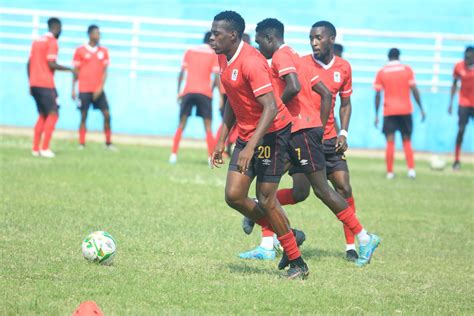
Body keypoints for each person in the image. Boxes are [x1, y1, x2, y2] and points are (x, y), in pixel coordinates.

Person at [241, 20, 380, 267]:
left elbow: (296, 87)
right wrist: (318, 126)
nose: (314, 42)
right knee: (280, 189)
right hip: (296, 131)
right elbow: (325, 92)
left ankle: (363, 237)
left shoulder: (284, 57)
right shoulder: (298, 56)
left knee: (324, 190)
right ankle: (265, 241)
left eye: (260, 40)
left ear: (269, 38)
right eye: (311, 38)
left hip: (301, 131)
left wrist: (281, 112)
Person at [209, 11, 309, 280]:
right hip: (248, 135)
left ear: (233, 36)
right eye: (211, 32)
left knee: (266, 198)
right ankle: (290, 235)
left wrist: (252, 146)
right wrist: (222, 139)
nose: (212, 38)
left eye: (217, 34)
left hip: (273, 133)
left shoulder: (252, 62)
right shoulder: (223, 56)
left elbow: (271, 106)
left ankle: (297, 263)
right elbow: (233, 97)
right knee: (234, 196)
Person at [374, 48, 426, 179]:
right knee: (407, 140)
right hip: (405, 110)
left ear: (388, 57)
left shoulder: (382, 72)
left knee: (390, 142)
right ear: (399, 56)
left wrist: (376, 114)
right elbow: (414, 90)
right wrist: (421, 108)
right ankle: (411, 170)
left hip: (389, 111)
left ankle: (390, 172)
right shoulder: (407, 70)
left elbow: (377, 94)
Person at [170, 32, 219, 164]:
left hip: (188, 91)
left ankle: (173, 155)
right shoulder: (213, 54)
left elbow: (181, 73)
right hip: (204, 93)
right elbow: (216, 77)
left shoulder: (190, 51)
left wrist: (178, 92)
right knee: (208, 127)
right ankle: (211, 158)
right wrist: (214, 92)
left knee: (181, 124)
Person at [28, 17, 74, 158]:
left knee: (43, 114)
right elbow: (51, 64)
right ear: (57, 27)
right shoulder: (52, 42)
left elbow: (28, 63)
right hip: (45, 84)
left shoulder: (37, 41)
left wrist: (30, 82)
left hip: (35, 84)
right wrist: (71, 70)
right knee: (54, 114)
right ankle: (45, 148)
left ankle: (35, 148)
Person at [72, 25, 114, 149]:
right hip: (84, 89)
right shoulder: (80, 50)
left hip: (98, 90)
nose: (98, 36)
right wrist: (73, 89)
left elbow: (105, 71)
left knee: (107, 114)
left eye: (99, 33)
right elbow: (75, 71)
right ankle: (81, 143)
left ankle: (108, 143)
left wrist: (100, 87)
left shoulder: (103, 51)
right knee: (83, 116)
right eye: (96, 33)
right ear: (90, 34)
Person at [448, 46, 474, 170]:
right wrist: (450, 103)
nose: (466, 59)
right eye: (465, 56)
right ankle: (457, 160)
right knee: (461, 130)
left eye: (469, 57)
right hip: (463, 103)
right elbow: (454, 84)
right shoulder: (459, 66)